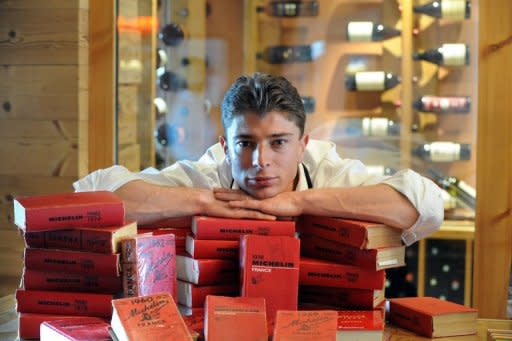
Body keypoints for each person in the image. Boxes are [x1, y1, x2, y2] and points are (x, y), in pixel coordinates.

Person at [74, 73, 443, 245]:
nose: (260, 161)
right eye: (245, 144)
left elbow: (427, 205)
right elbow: (94, 192)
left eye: (278, 143)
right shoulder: (210, 173)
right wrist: (205, 201)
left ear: (304, 145)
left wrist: (298, 201)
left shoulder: (327, 168)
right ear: (225, 145)